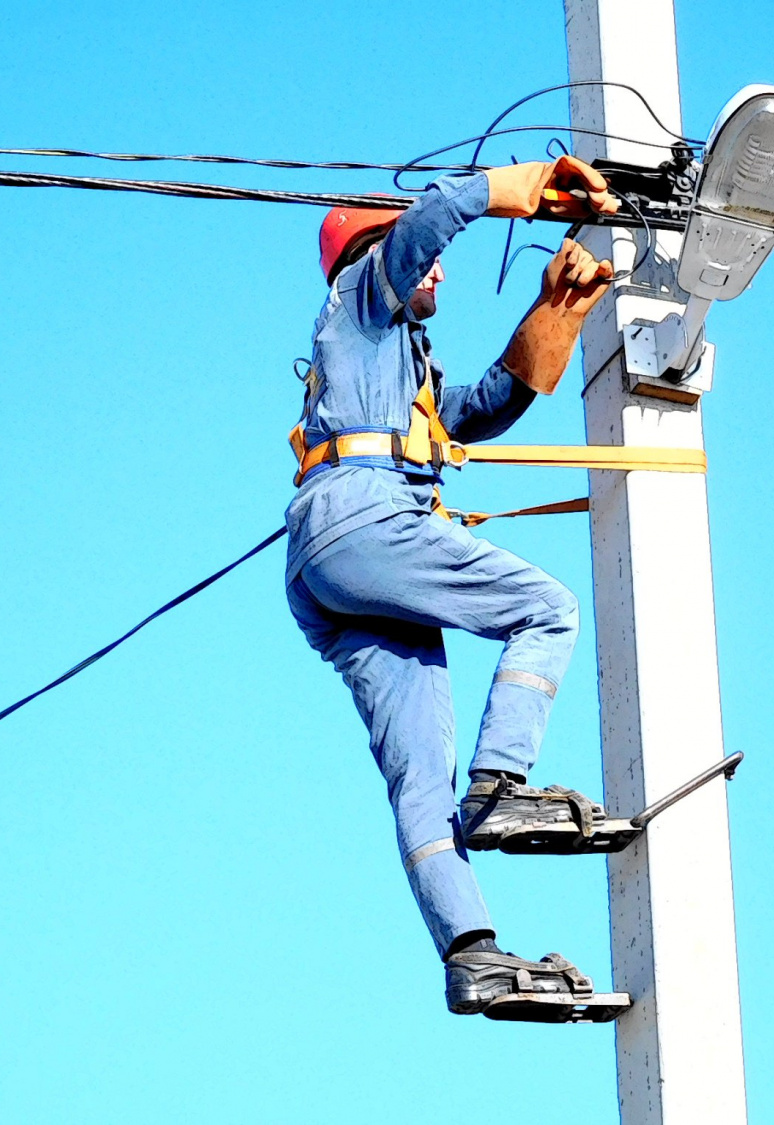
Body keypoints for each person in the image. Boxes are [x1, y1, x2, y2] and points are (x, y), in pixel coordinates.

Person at [284, 157, 621, 1016]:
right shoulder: (365, 288)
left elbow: (479, 410)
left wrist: (555, 315)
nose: (439, 271)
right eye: (424, 261)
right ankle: (503, 784)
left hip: (332, 559)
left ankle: (472, 953)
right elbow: (433, 221)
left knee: (418, 777)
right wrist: (524, 185)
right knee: (547, 609)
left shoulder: (395, 361)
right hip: (365, 521)